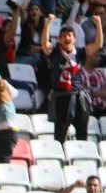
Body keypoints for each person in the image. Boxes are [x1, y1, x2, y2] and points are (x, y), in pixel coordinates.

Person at [42, 12, 101, 143]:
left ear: (74, 39)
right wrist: (47, 24)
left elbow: (98, 45)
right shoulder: (55, 52)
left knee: (82, 132)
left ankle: (82, 153)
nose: (67, 38)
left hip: (78, 95)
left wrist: (98, 25)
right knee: (60, 134)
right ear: (59, 39)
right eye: (64, 36)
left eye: (69, 35)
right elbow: (45, 44)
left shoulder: (80, 52)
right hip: (61, 96)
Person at [80, 52, 106, 116]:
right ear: (88, 58)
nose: (99, 58)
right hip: (87, 112)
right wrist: (96, 94)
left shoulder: (101, 73)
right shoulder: (78, 74)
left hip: (103, 110)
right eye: (96, 56)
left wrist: (98, 93)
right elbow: (79, 96)